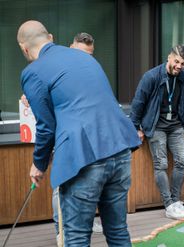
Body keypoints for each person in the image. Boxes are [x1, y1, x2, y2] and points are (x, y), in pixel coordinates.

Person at [17, 20, 141, 246]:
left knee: (75, 237)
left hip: (83, 157)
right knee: (117, 231)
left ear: (24, 49)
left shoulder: (32, 72)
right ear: (51, 37)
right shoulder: (85, 57)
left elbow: (46, 125)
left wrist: (39, 164)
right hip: (120, 148)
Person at [20, 32, 103, 242]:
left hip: (89, 137)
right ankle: (61, 231)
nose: (86, 58)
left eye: (90, 54)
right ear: (70, 48)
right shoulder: (51, 67)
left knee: (89, 182)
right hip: (63, 138)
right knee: (62, 186)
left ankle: (83, 221)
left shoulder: (88, 69)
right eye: (83, 53)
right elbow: (44, 110)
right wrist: (31, 98)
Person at [130, 45, 184, 220]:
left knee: (183, 160)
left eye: (183, 64)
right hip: (156, 126)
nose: (179, 66)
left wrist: (183, 120)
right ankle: (169, 204)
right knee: (161, 164)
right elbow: (138, 103)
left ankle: (175, 201)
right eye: (177, 61)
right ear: (169, 58)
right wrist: (135, 127)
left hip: (176, 126)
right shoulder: (151, 77)